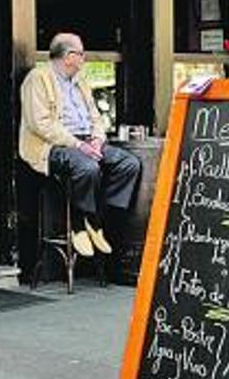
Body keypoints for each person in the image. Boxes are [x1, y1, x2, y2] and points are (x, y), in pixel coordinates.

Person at [19, 32, 141, 257]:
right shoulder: (38, 78)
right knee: (87, 167)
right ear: (68, 56)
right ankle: (80, 223)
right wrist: (78, 144)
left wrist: (96, 138)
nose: (84, 59)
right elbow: (41, 124)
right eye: (81, 54)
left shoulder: (80, 82)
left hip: (85, 141)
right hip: (52, 146)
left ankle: (97, 222)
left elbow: (95, 117)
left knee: (128, 164)